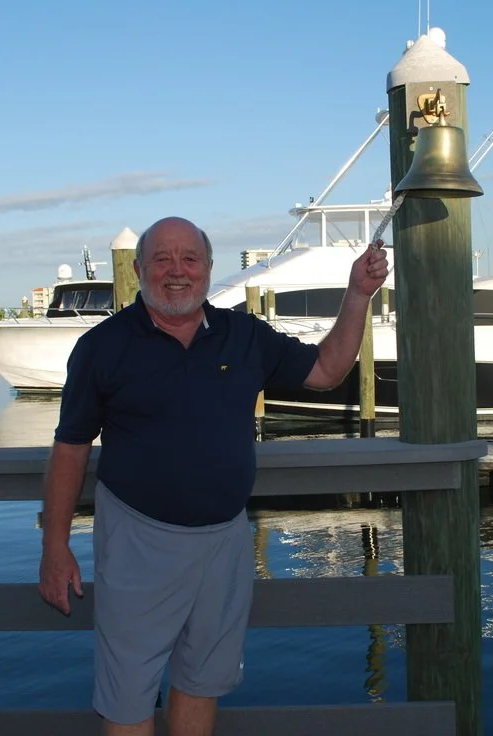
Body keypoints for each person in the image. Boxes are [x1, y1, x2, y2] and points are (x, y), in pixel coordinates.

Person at [38, 216, 389, 736]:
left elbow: (327, 370)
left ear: (207, 267)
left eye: (189, 259)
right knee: (127, 691)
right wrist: (55, 546)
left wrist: (358, 293)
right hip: (137, 540)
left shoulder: (243, 335)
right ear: (138, 270)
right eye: (161, 259)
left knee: (202, 681)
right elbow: (70, 448)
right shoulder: (102, 346)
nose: (177, 271)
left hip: (225, 538)